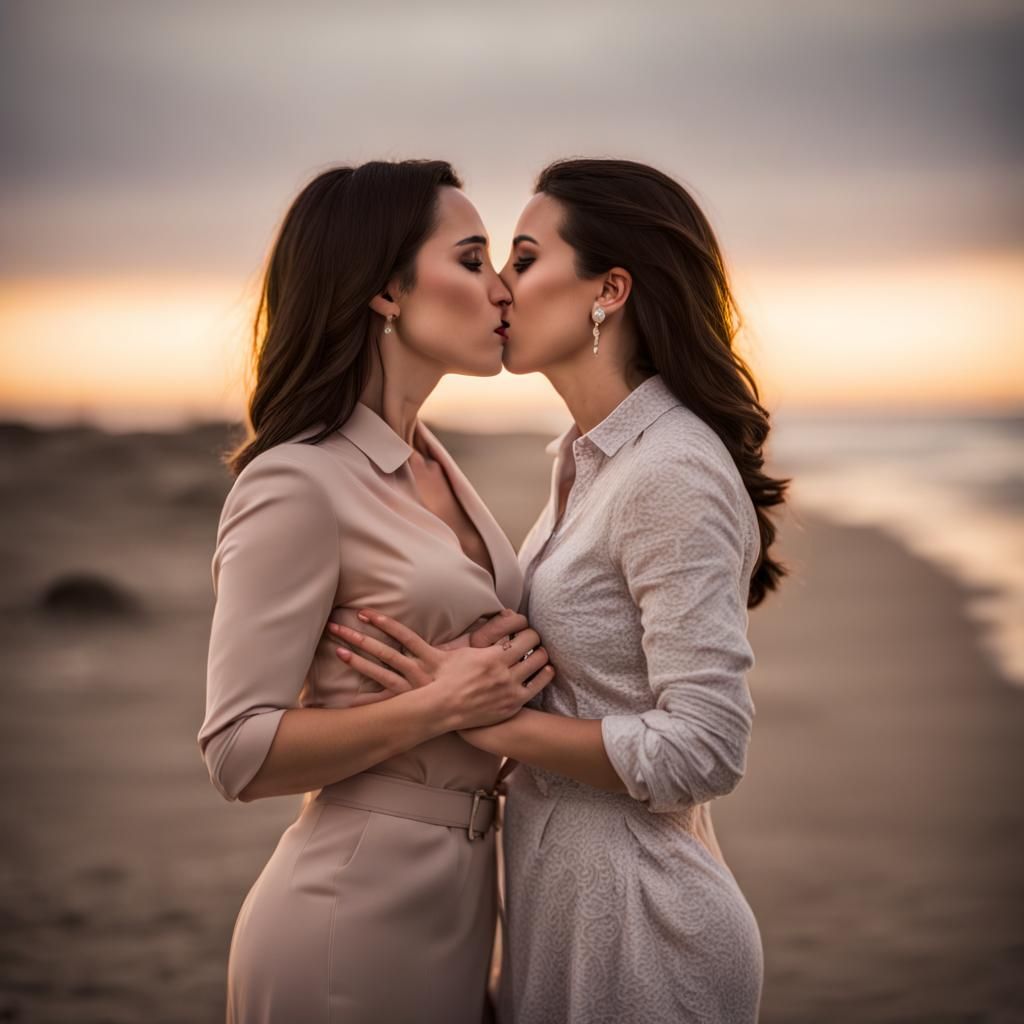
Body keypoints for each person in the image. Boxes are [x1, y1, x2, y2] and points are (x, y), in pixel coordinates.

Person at [338, 158, 790, 1023]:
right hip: (562, 909)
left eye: (524, 258)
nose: (500, 289)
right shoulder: (584, 459)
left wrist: (481, 717)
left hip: (643, 930)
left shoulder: (670, 470)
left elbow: (706, 750)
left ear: (608, 290)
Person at [196, 159, 554, 1024]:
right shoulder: (298, 481)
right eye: (471, 261)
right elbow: (237, 753)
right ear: (386, 290)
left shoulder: (432, 458)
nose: (504, 288)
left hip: (465, 902)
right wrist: (441, 704)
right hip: (348, 918)